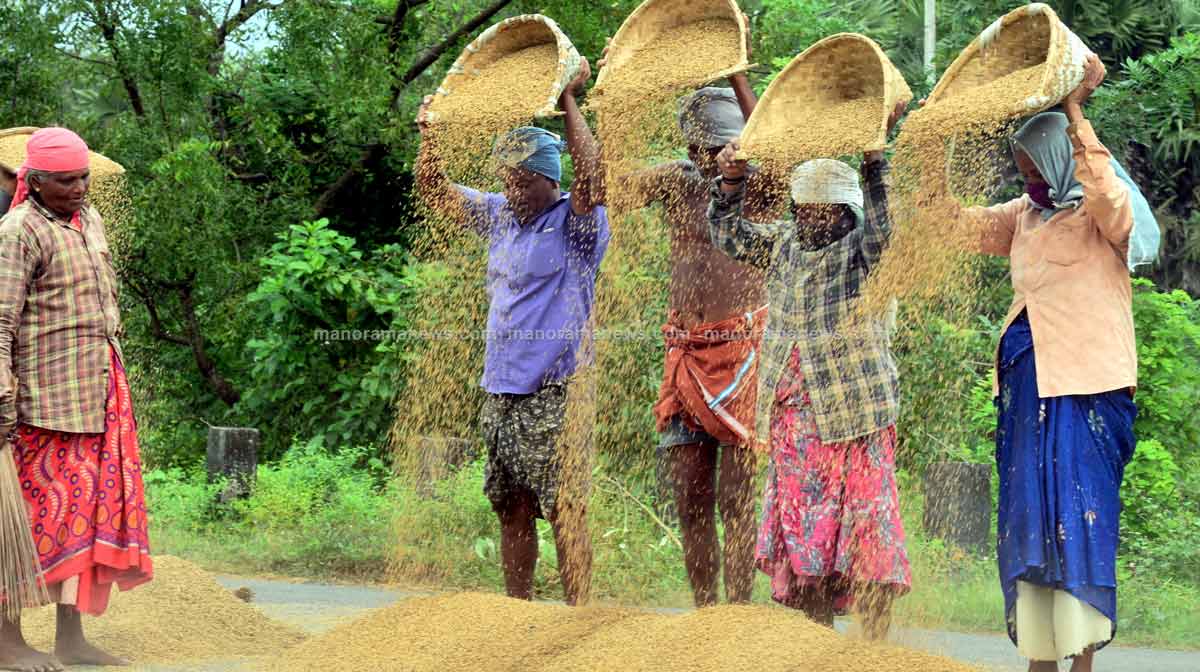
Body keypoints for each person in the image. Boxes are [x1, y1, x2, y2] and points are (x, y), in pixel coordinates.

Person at [950, 55, 1140, 672]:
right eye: (1021, 169)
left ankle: (1080, 661)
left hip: (1088, 391)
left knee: (1079, 521)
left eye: (1036, 169)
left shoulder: (1101, 219)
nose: (1029, 180)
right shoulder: (1023, 217)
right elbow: (952, 228)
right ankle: (1039, 660)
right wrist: (927, 150)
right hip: (1029, 393)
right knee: (1031, 520)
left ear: (1060, 161)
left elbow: (1108, 192)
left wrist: (1073, 109)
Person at [706, 102, 911, 639]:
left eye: (826, 212)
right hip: (796, 422)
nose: (814, 221)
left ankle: (872, 652)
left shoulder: (861, 253)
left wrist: (874, 161)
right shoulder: (784, 245)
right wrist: (730, 183)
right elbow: (730, 237)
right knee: (806, 548)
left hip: (857, 418)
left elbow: (886, 231)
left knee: (868, 541)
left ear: (847, 214)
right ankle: (816, 649)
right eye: (805, 211)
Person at [414, 59, 608, 606]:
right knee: (510, 504)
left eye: (524, 181)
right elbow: (434, 192)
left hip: (558, 387)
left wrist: (568, 98)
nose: (514, 191)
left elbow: (595, 177)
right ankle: (515, 616)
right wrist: (430, 134)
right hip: (501, 386)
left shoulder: (577, 222)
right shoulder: (498, 213)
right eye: (507, 180)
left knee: (564, 507)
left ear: (551, 179)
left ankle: (581, 621)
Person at [596, 34, 770, 606]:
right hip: (684, 358)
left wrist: (739, 74)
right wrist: (612, 109)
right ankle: (705, 616)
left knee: (737, 502)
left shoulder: (761, 188)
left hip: (742, 356)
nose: (707, 158)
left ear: (739, 142)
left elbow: (777, 146)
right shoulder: (675, 179)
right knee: (690, 500)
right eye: (697, 147)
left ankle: (739, 617)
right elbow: (608, 190)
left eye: (717, 146)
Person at [0, 127, 153, 672]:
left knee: (81, 518)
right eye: (65, 181)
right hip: (38, 402)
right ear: (33, 181)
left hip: (97, 391)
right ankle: (8, 640)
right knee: (18, 520)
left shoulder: (89, 220)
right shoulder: (19, 231)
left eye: (83, 177)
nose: (79, 188)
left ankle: (71, 638)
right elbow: (0, 321)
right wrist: (1, 395)